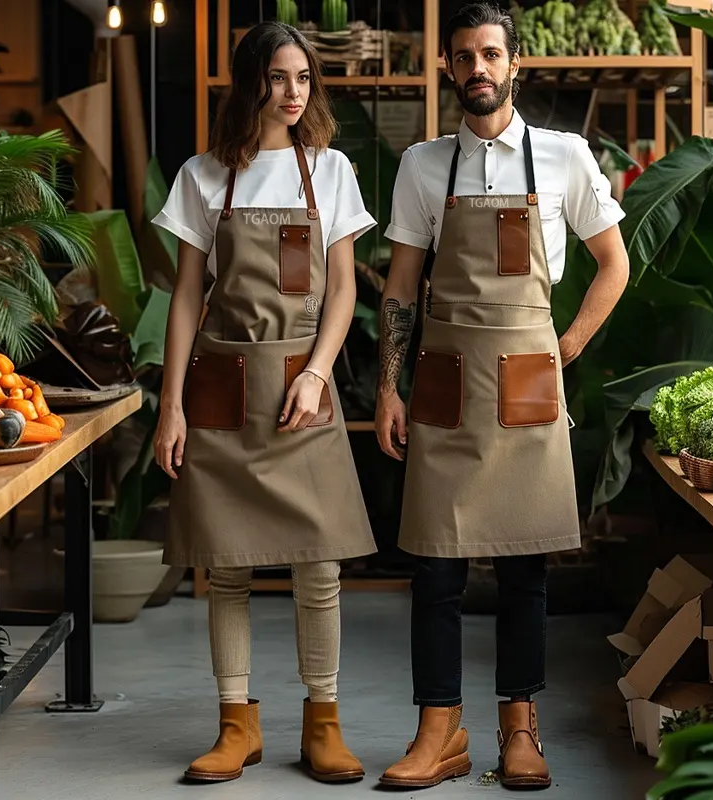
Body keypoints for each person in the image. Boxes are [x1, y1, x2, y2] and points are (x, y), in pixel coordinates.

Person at [374, 1, 629, 790]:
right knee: (436, 569)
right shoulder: (422, 165)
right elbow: (403, 287)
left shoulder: (563, 158)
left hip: (527, 385)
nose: (477, 68)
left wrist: (568, 347)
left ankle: (521, 729)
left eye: (490, 54)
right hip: (445, 385)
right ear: (448, 69)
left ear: (514, 65)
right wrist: (389, 384)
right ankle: (438, 730)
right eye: (463, 56)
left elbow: (614, 264)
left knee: (525, 567)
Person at [151, 21, 377, 786]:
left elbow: (343, 289)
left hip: (300, 392)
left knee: (319, 566)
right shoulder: (204, 175)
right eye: (278, 78)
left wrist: (317, 373)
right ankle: (235, 725)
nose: (292, 93)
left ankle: (324, 722)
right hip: (221, 390)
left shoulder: (330, 168)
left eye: (304, 79)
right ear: (250, 83)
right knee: (229, 565)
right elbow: (187, 296)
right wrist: (171, 404)